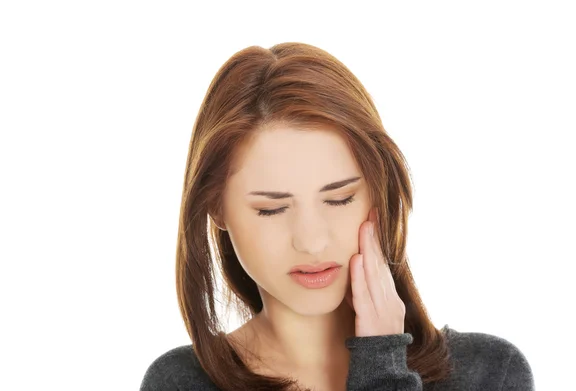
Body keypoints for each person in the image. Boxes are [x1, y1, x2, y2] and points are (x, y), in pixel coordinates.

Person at [140, 42, 534, 391]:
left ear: (378, 193)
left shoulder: (490, 375)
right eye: (271, 209)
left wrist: (382, 362)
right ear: (216, 208)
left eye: (340, 199)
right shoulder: (180, 382)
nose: (311, 241)